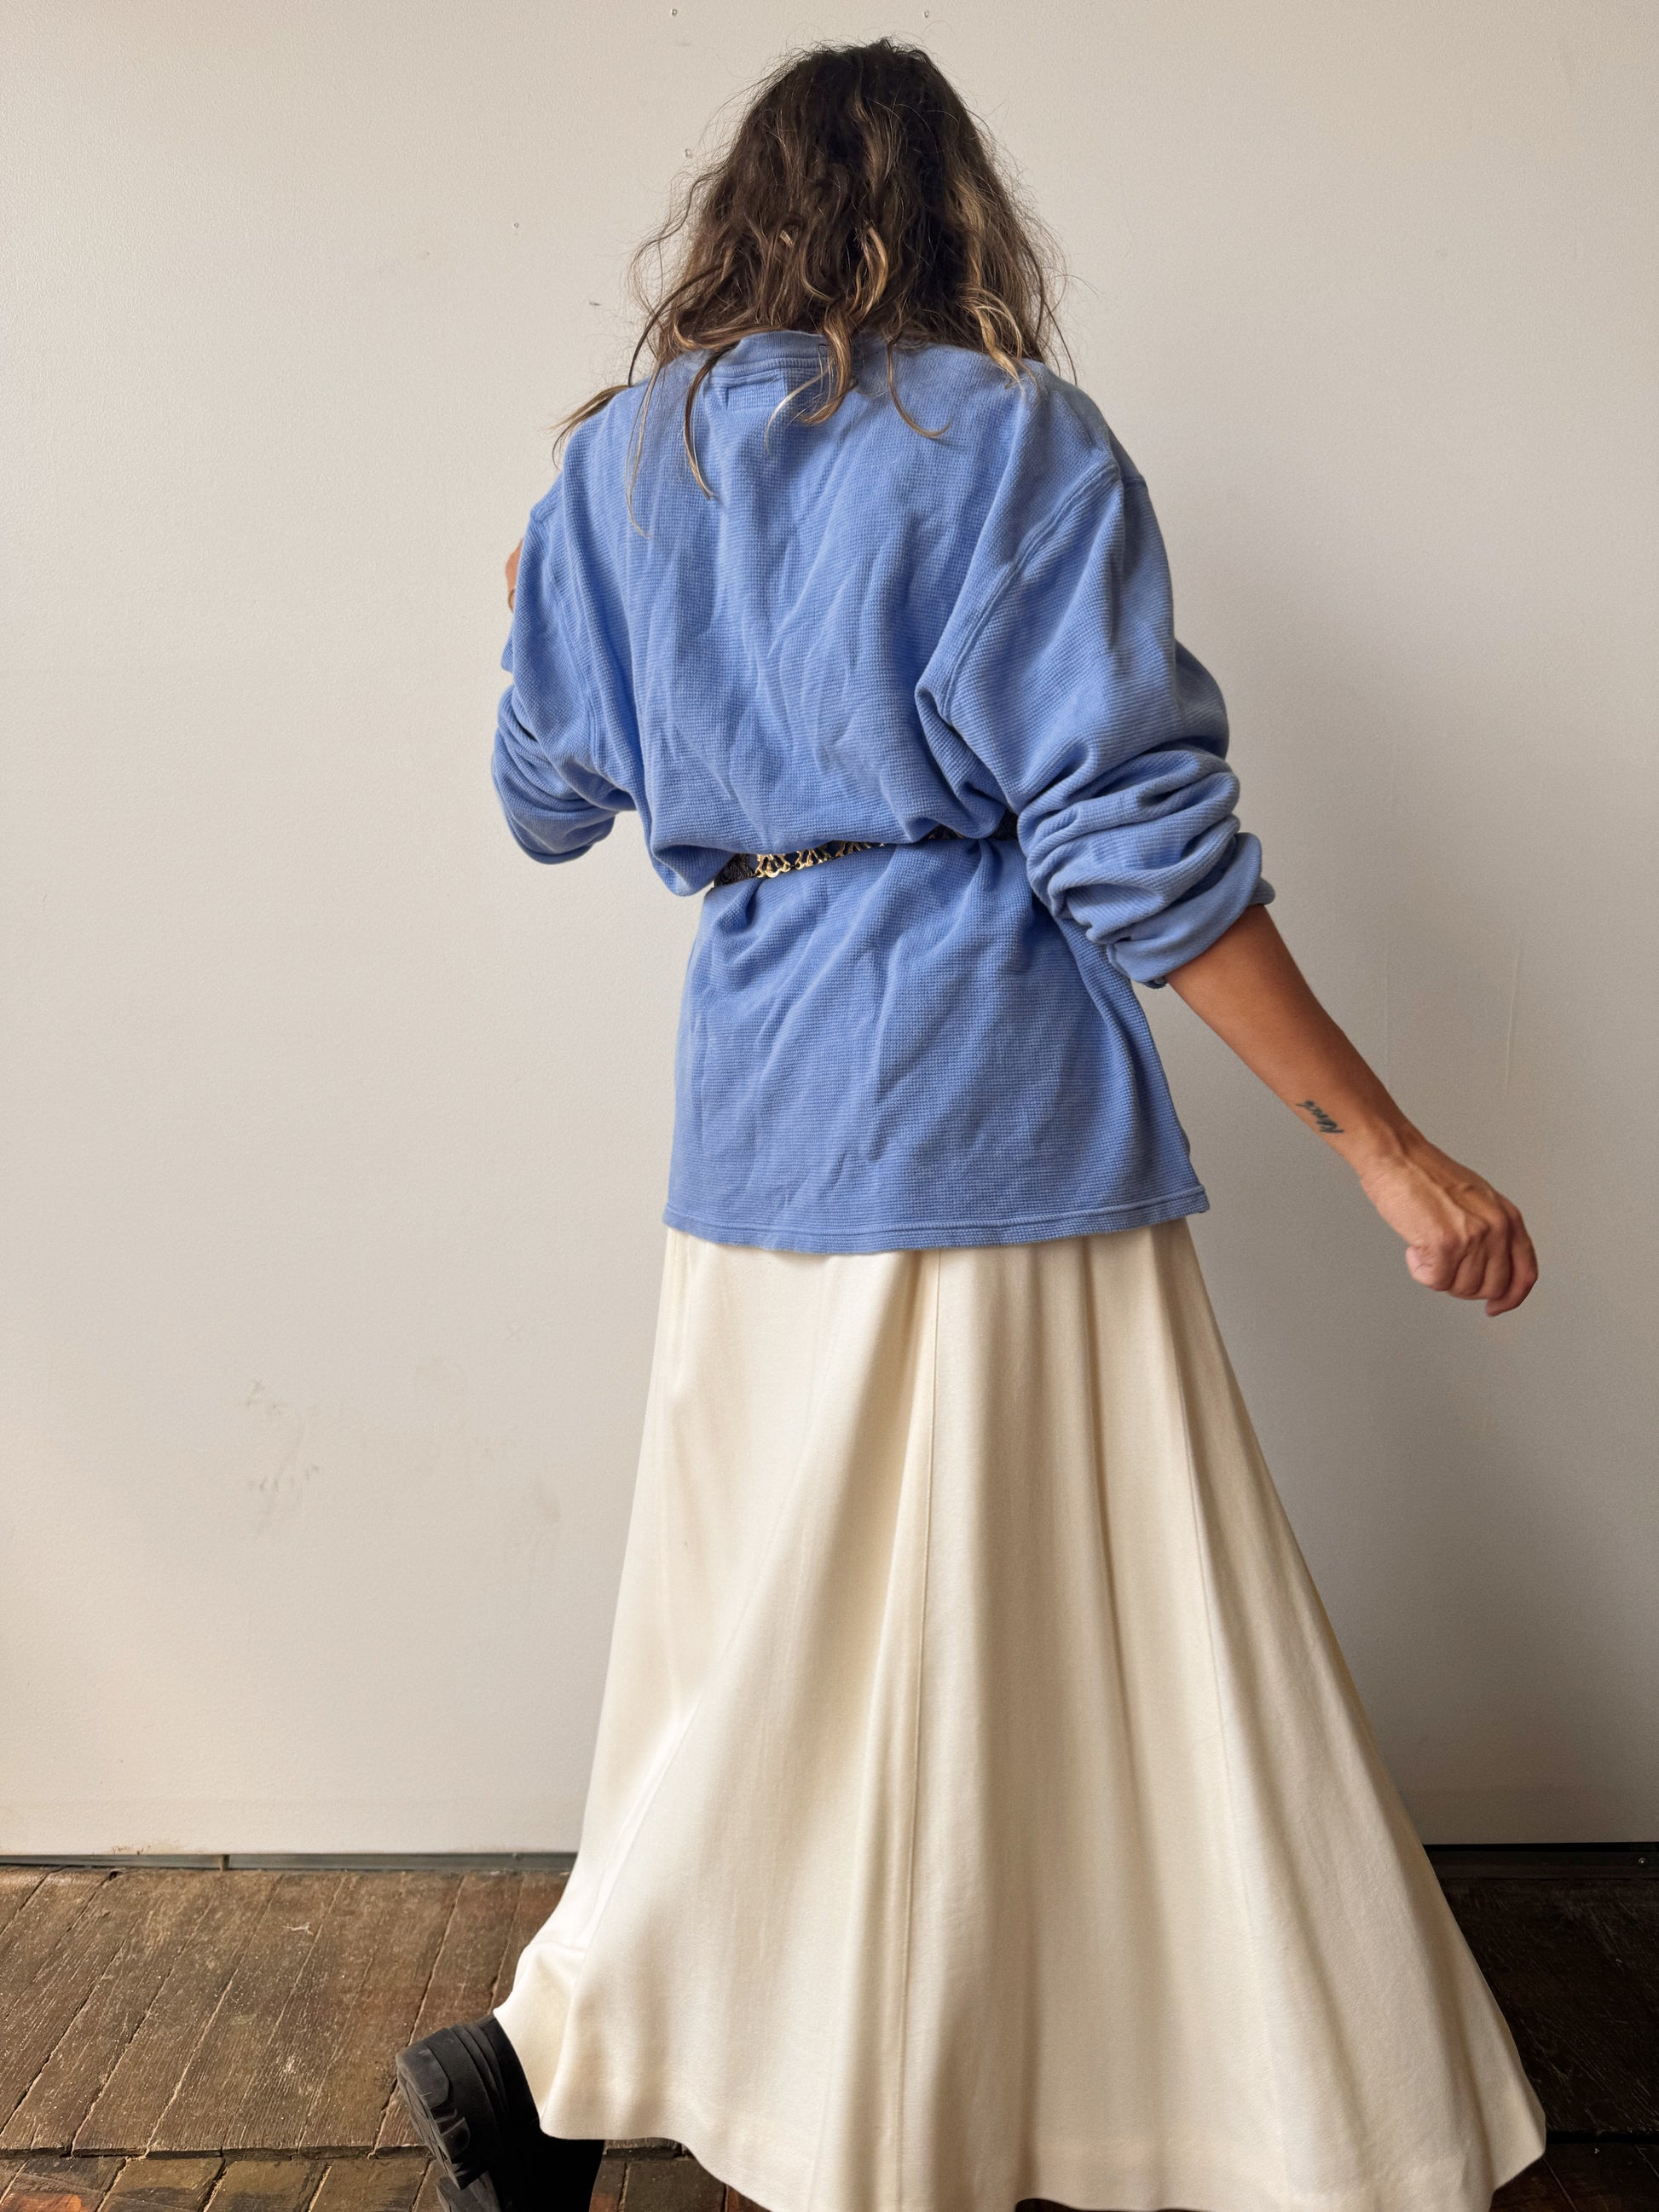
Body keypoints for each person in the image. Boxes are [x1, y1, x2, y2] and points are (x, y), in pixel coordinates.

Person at [395, 37, 1546, 2212]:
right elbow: (1139, 845)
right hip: (984, 1120)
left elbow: (545, 800)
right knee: (1054, 1638)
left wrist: (591, 599)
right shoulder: (1014, 448)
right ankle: (703, 2053)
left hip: (752, 1127)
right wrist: (1377, 1139)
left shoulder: (620, 470)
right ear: (956, 220)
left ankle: (633, 2048)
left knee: (777, 1631)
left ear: (731, 219)